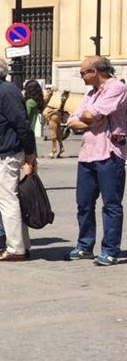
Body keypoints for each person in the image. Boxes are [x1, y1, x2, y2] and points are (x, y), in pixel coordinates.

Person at [65, 56, 126, 266]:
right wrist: (86, 121)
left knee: (111, 204)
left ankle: (110, 250)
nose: (81, 76)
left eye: (83, 72)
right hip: (87, 154)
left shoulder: (116, 87)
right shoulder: (90, 93)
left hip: (110, 153)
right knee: (84, 203)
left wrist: (88, 119)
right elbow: (72, 120)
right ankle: (85, 246)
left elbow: (92, 114)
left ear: (95, 71)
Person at [0, 56, 36, 262]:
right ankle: (21, 244)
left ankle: (15, 248)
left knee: (8, 201)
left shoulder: (6, 91)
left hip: (7, 153)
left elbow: (21, 122)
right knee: (12, 200)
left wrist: (30, 152)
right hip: (1, 152)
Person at [44, 89, 71, 158]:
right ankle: (61, 147)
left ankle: (54, 149)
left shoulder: (52, 105)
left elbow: (53, 130)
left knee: (54, 130)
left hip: (56, 114)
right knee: (57, 130)